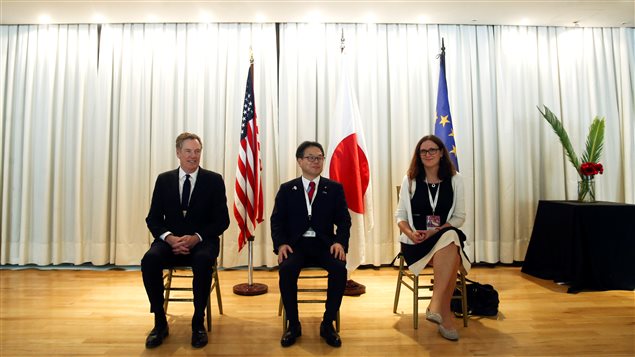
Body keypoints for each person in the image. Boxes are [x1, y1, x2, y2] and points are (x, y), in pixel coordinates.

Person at [141, 132, 230, 349]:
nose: (193, 156)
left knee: (202, 262)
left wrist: (196, 237)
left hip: (202, 240)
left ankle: (197, 322)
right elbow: (153, 219)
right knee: (149, 260)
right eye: (188, 151)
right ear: (178, 153)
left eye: (197, 151)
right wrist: (169, 238)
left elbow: (222, 221)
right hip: (169, 241)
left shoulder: (214, 180)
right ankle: (160, 321)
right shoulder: (164, 180)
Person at [271, 141, 352, 348]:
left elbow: (344, 220)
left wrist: (340, 243)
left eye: (319, 157)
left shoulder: (333, 188)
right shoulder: (288, 189)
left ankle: (327, 323)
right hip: (295, 245)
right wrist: (281, 245)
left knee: (339, 269)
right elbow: (277, 221)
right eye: (310, 157)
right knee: (287, 269)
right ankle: (294, 324)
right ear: (299, 161)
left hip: (325, 244)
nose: (316, 161)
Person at [395, 134, 471, 341]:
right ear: (418, 155)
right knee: (452, 245)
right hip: (417, 242)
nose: (428, 154)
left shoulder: (456, 179)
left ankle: (436, 306)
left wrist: (435, 232)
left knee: (450, 236)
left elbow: (459, 217)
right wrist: (410, 233)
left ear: (441, 153)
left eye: (432, 150)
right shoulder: (410, 180)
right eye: (423, 151)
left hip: (443, 235)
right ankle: (443, 314)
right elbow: (400, 216)